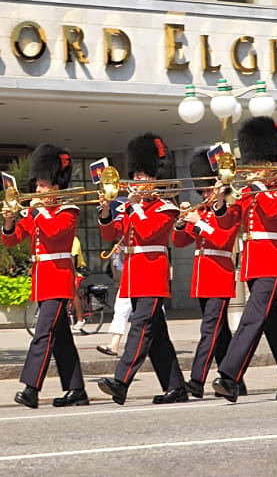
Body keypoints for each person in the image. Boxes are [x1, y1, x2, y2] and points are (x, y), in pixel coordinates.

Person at [211, 117, 277, 402]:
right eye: (254, 162)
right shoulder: (246, 192)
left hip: (272, 262)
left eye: (261, 163)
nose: (255, 169)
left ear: (273, 164)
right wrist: (220, 200)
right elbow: (227, 223)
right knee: (274, 325)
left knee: (251, 319)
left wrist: (257, 188)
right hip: (253, 263)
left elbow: (272, 211)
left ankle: (230, 376)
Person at [96, 133, 188, 406]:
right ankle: (176, 387)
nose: (137, 181)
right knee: (157, 337)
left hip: (153, 274)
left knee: (140, 328)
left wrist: (135, 207)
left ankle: (121, 381)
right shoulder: (130, 207)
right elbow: (112, 234)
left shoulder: (166, 207)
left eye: (143, 176)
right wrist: (104, 212)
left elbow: (148, 233)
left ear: (156, 178)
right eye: (135, 175)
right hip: (134, 276)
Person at [3, 143, 87, 409]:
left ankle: (31, 388)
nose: (36, 190)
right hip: (43, 280)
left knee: (43, 335)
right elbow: (13, 239)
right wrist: (8, 221)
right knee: (61, 337)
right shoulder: (37, 212)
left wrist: (36, 210)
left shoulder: (68, 211)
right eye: (36, 185)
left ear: (55, 186)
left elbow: (52, 232)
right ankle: (76, 389)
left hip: (59, 279)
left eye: (41, 185)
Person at [173, 147, 242, 399]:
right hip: (202, 279)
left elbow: (223, 240)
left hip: (219, 276)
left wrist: (199, 222)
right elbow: (180, 242)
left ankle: (197, 379)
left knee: (209, 331)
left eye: (208, 188)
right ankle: (233, 382)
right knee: (220, 333)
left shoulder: (233, 210)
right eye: (202, 190)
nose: (204, 194)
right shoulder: (201, 210)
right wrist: (182, 222)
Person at [96, 237, 130, 356]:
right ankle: (114, 344)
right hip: (128, 277)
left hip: (142, 274)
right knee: (121, 308)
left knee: (156, 314)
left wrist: (125, 251)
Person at [70, 236, 87, 332]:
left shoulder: (74, 240)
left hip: (77, 271)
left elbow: (73, 258)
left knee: (72, 293)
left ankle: (80, 319)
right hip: (66, 270)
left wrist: (73, 274)